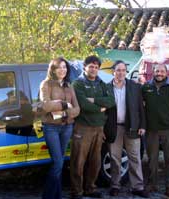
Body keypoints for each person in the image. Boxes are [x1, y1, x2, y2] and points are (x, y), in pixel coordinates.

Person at [70, 55, 115, 199]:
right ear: (85, 67)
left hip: (98, 128)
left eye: (96, 67)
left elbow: (111, 101)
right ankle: (77, 191)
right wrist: (100, 108)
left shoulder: (102, 83)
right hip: (82, 128)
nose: (94, 69)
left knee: (95, 162)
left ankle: (90, 188)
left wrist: (95, 100)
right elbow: (83, 105)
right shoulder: (78, 84)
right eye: (91, 66)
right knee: (78, 162)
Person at [105, 60, 149, 198]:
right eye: (118, 70)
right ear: (113, 71)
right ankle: (115, 185)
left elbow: (141, 108)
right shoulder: (106, 87)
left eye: (123, 70)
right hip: (114, 128)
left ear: (126, 72)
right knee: (115, 158)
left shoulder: (134, 86)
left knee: (134, 157)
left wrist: (142, 125)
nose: (121, 73)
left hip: (132, 127)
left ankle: (138, 187)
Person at [39, 57, 80, 199]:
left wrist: (65, 111)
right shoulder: (46, 84)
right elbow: (45, 106)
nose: (63, 70)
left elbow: (77, 109)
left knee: (60, 163)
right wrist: (64, 104)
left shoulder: (69, 85)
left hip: (67, 127)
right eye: (59, 67)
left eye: (64, 67)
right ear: (53, 69)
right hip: (51, 128)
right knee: (57, 162)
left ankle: (57, 196)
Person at [142, 64, 169, 198]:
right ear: (153, 72)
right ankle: (152, 184)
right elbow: (141, 106)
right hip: (151, 129)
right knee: (152, 159)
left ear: (166, 73)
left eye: (162, 71)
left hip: (168, 129)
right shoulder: (146, 88)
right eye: (157, 71)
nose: (159, 73)